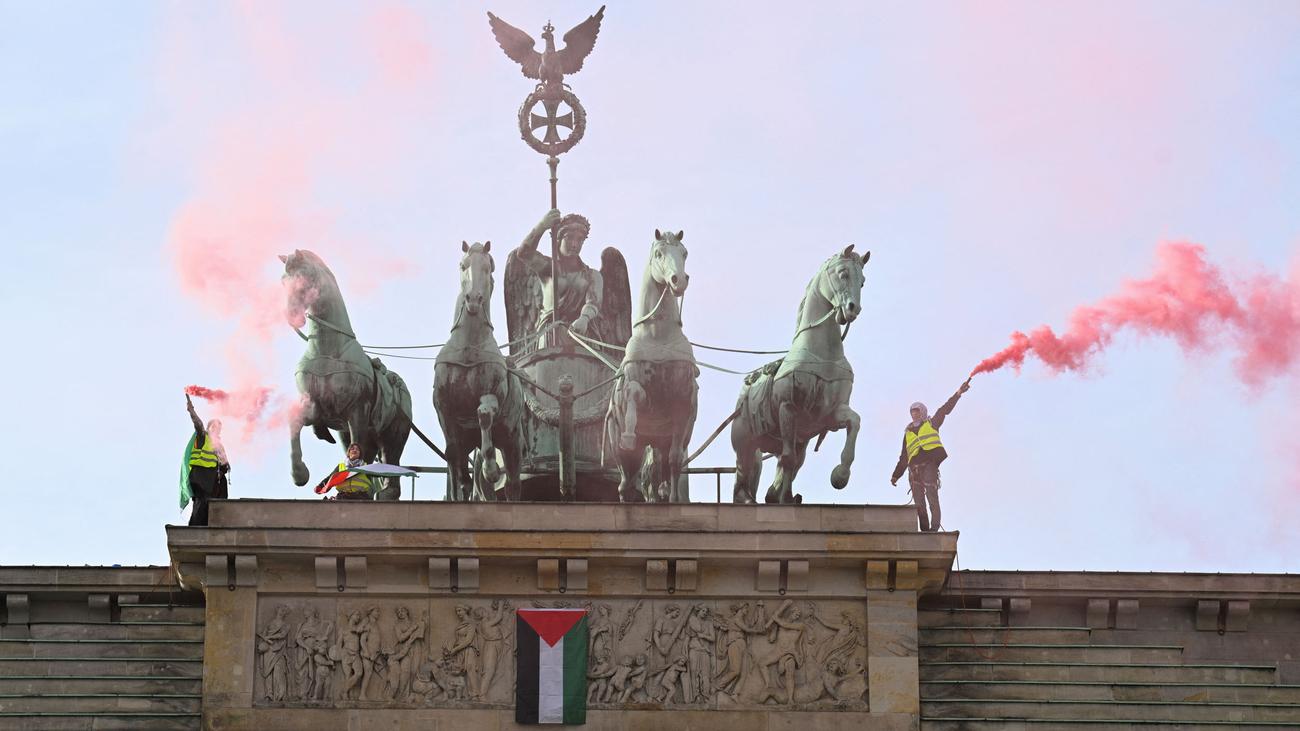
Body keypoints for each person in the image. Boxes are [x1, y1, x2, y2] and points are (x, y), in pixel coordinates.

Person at [890, 378, 970, 532]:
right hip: (913, 470)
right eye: (912, 412)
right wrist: (895, 475)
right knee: (919, 503)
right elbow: (903, 457)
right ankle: (925, 531)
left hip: (929, 465)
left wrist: (959, 393)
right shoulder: (907, 434)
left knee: (932, 495)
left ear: (923, 412)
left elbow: (944, 409)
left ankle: (934, 529)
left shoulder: (932, 423)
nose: (914, 414)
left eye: (917, 411)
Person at [183, 394, 229, 526]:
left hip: (215, 479)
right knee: (202, 503)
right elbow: (198, 424)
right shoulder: (203, 436)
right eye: (214, 426)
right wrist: (192, 411)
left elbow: (224, 464)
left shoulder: (219, 445)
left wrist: (224, 466)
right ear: (209, 428)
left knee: (218, 503)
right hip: (201, 477)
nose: (217, 429)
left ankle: (214, 526)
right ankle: (195, 529)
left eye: (219, 428)